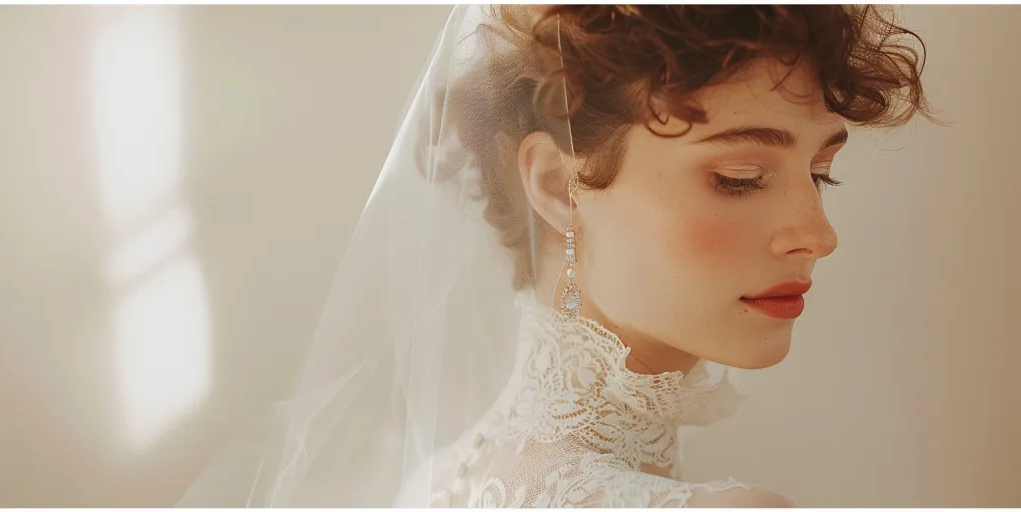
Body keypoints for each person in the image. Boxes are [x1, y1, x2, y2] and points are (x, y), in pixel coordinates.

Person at [179, 4, 933, 508]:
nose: (816, 234)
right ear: (556, 183)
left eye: (820, 172)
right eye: (738, 179)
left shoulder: (440, 479)